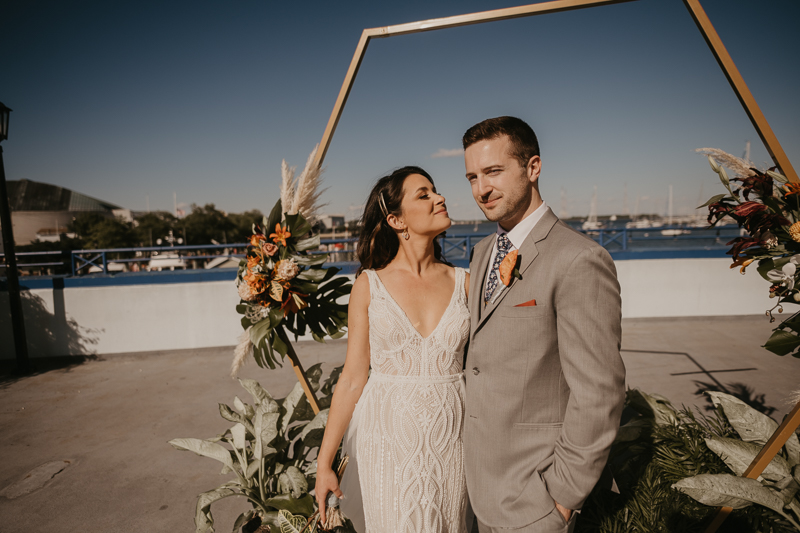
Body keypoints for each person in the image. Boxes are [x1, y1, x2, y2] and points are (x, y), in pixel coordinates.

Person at [462, 116, 625, 533]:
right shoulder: (482, 253)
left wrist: (561, 499)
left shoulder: (578, 259)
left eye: (494, 171)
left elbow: (598, 392)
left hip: (534, 502)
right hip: (477, 494)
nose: (482, 189)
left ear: (533, 167)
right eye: (473, 177)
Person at [315, 166, 471, 533]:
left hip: (452, 433)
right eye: (424, 194)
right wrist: (324, 464)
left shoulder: (466, 282)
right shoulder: (369, 286)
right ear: (396, 220)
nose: (439, 198)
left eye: (435, 190)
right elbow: (353, 379)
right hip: (385, 434)